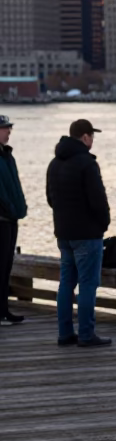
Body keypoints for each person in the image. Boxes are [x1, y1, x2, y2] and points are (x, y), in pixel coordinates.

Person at [46, 119, 111, 347]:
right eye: (92, 136)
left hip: (64, 233)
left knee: (66, 283)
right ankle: (86, 334)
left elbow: (50, 198)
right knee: (87, 285)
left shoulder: (54, 163)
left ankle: (65, 333)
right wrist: (103, 224)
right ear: (84, 137)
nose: (93, 140)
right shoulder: (87, 163)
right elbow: (98, 200)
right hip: (87, 234)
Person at [0, 114, 28, 326]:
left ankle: (4, 310)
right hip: (2, 219)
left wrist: (21, 207)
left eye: (9, 128)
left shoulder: (8, 156)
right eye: (4, 128)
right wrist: (10, 208)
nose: (9, 131)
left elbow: (15, 186)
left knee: (7, 265)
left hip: (11, 219)